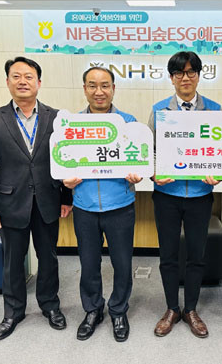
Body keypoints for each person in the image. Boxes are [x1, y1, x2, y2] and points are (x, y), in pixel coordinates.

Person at [0, 56, 72, 341]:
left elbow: (66, 159)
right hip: (10, 203)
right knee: (13, 262)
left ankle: (50, 306)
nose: (22, 81)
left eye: (28, 77)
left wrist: (66, 197)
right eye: (16, 76)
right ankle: (13, 312)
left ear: (38, 82)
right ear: (7, 82)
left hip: (47, 200)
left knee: (49, 258)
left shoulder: (57, 118)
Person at [63, 67, 142, 343]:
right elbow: (63, 162)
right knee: (88, 263)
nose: (99, 91)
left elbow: (139, 159)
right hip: (84, 206)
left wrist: (138, 173)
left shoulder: (128, 122)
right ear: (85, 89)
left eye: (105, 85)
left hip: (120, 205)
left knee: (122, 263)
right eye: (93, 85)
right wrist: (65, 180)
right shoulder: (72, 125)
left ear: (113, 88)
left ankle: (119, 310)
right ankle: (93, 309)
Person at [148, 51, 221, 338]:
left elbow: (221, 150)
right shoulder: (159, 110)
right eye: (179, 73)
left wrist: (219, 172)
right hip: (167, 193)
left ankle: (190, 308)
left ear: (199, 76)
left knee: (196, 255)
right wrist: (153, 173)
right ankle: (171, 308)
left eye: (191, 72)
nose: (185, 78)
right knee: (167, 255)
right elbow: (149, 151)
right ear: (171, 78)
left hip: (200, 194)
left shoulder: (214, 109)